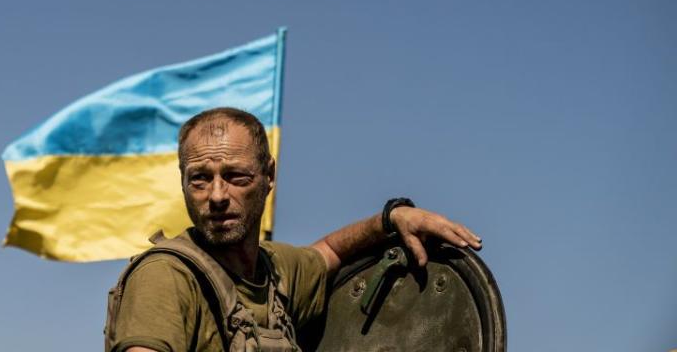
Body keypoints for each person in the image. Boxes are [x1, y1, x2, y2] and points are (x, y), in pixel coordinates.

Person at [105, 107, 483, 352]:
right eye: (200, 179)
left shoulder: (276, 272)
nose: (217, 195)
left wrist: (391, 219)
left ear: (269, 175)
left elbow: (331, 252)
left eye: (236, 176)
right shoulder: (166, 277)